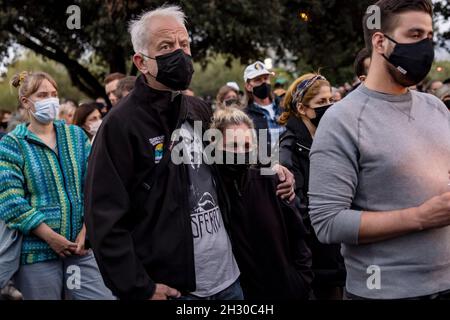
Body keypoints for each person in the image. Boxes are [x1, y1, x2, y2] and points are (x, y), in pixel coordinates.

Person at [84, 5, 296, 301]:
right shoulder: (119, 126)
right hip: (175, 289)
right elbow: (103, 219)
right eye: (166, 46)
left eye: (184, 44)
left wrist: (267, 167)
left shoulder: (196, 109)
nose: (180, 53)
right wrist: (139, 289)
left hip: (229, 279)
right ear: (141, 62)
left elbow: (225, 162)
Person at [309, 0, 450, 300]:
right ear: (380, 41)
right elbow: (327, 222)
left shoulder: (436, 108)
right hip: (382, 292)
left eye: (428, 37)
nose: (425, 47)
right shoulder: (341, 119)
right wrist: (421, 217)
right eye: (414, 35)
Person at [0, 71, 114, 300]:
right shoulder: (12, 144)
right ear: (26, 102)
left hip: (81, 250)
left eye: (54, 94)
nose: (51, 100)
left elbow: (93, 186)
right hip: (38, 254)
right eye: (42, 95)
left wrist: (86, 231)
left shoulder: (75, 136)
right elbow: (11, 200)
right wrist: (51, 237)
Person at [211, 107, 313, 300]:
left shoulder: (273, 182)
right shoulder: (210, 189)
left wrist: (300, 280)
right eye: (233, 145)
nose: (241, 152)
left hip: (286, 292)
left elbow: (299, 234)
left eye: (247, 146)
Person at [279, 74, 345, 300]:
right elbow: (295, 205)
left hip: (340, 243)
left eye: (331, 100)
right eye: (321, 102)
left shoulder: (332, 136)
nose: (329, 107)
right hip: (315, 250)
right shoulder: (288, 147)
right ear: (302, 108)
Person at [243, 61, 285, 157]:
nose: (264, 82)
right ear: (248, 86)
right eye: (258, 80)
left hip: (290, 167)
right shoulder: (245, 115)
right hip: (264, 169)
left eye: (266, 78)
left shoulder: (284, 106)